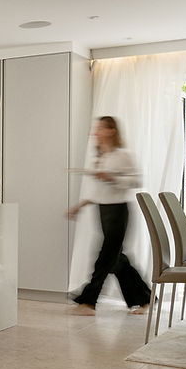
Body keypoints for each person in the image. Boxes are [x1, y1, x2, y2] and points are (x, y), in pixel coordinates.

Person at [68, 116, 152, 315]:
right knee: (116, 260)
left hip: (118, 212)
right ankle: (145, 299)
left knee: (105, 258)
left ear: (111, 131)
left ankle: (88, 301)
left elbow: (136, 180)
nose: (95, 133)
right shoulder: (101, 157)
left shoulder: (123, 155)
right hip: (103, 212)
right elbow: (98, 191)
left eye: (99, 129)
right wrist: (81, 205)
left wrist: (112, 177)